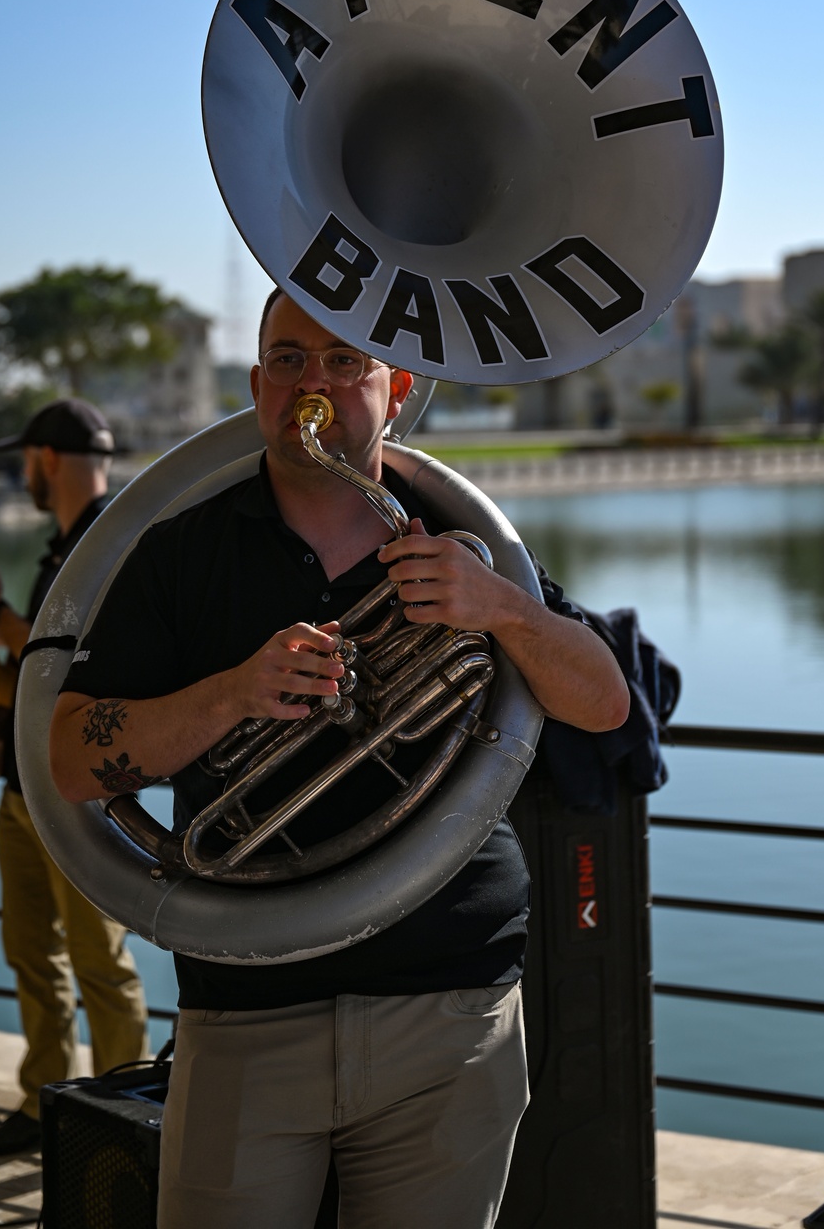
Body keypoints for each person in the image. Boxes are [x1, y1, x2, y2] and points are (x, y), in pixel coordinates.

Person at [49, 296, 630, 1229]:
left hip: (450, 1002)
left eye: (341, 361)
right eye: (285, 361)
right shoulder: (181, 552)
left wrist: (505, 608)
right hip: (249, 1002)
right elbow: (73, 760)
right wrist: (235, 693)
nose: (309, 385)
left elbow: (604, 705)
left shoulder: (457, 541)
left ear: (396, 389)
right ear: (254, 386)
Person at [0, 399, 150, 1158]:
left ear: (45, 459)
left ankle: (122, 1117)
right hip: (22, 791)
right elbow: (30, 676)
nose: (20, 473)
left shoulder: (112, 550)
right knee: (30, 952)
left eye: (24, 460)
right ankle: (45, 1106)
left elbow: (44, 670)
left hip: (79, 800)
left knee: (100, 965)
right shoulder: (63, 551)